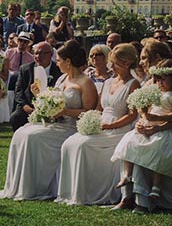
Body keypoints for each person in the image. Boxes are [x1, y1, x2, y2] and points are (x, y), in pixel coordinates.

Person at [0, 41, 97, 200]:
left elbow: (88, 112)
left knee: (32, 137)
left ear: (68, 62)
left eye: (59, 60)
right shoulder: (62, 79)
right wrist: (39, 95)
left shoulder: (86, 83)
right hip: (55, 123)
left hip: (71, 127)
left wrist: (64, 111)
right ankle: (17, 186)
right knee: (21, 133)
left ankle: (36, 187)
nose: (57, 63)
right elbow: (53, 100)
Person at [57, 43, 140, 206]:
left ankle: (87, 193)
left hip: (119, 129)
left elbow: (132, 115)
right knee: (70, 142)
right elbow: (99, 107)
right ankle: (70, 192)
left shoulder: (133, 84)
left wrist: (111, 126)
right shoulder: (109, 82)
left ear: (127, 63)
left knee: (83, 145)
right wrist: (91, 120)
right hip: (101, 124)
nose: (112, 67)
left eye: (115, 63)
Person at [112, 61, 172, 203]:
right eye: (158, 80)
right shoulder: (156, 93)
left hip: (166, 127)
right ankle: (127, 176)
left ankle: (156, 187)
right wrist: (143, 121)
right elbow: (148, 111)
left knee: (158, 148)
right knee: (129, 140)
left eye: (164, 79)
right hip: (150, 123)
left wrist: (158, 118)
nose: (160, 83)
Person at [10, 42, 62, 131]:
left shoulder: (59, 70)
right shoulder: (25, 69)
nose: (38, 56)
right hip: (29, 106)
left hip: (52, 108)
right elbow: (19, 91)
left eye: (41, 53)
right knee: (16, 117)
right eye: (36, 53)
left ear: (51, 54)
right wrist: (26, 107)